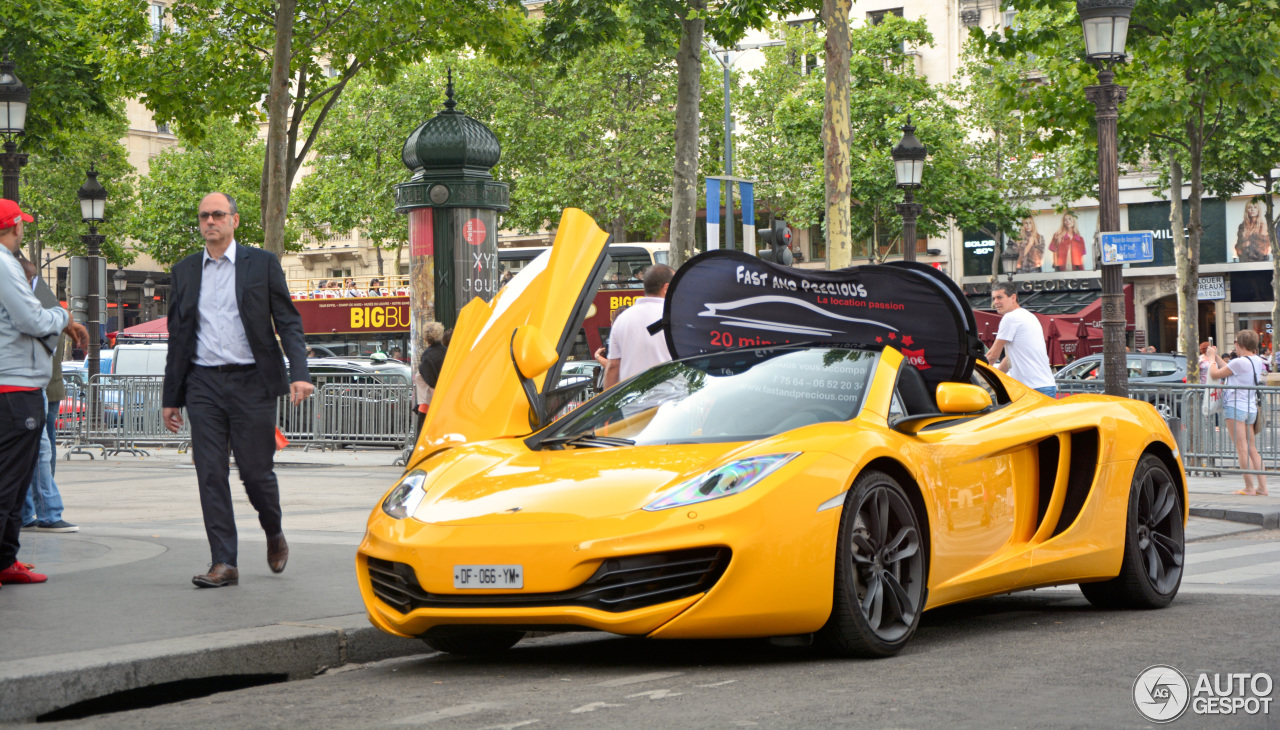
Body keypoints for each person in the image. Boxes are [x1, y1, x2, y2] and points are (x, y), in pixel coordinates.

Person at [162, 192, 314, 588]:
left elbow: (289, 322)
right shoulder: (184, 271)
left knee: (255, 473)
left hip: (251, 381)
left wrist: (300, 372)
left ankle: (273, 530)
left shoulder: (261, 264)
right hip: (203, 383)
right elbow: (177, 337)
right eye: (203, 216)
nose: (209, 221)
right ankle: (223, 562)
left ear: (234, 220)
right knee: (209, 472)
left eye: (217, 215)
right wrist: (171, 397)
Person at [0, 199, 89, 587]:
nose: (24, 232)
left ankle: (6, 559)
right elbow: (31, 318)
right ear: (15, 227)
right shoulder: (4, 264)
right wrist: (63, 316)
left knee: (17, 483)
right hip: (15, 387)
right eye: (23, 226)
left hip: (18, 385)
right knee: (9, 482)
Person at [16, 254, 77, 533]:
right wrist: (63, 316)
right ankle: (47, 512)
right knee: (40, 451)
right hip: (27, 385)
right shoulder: (24, 304)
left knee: (34, 451)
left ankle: (29, 513)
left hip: (32, 385)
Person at [1206, 331, 1269, 496]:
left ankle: (1249, 488)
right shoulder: (1256, 360)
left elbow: (1214, 373)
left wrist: (1211, 358)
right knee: (1252, 449)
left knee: (1242, 449)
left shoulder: (1240, 362)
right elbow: (1228, 368)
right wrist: (1217, 356)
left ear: (1239, 344)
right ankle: (1262, 487)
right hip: (1250, 408)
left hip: (1235, 407)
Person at [603, 265, 675, 389]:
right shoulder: (677, 316)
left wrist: (608, 405)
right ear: (667, 288)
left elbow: (613, 366)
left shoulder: (622, 319)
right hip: (670, 400)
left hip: (632, 400)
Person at [985, 281, 1057, 397]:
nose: (996, 302)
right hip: (1044, 385)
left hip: (1032, 389)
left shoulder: (1010, 318)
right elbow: (1010, 359)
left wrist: (975, 377)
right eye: (993, 299)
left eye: (1000, 297)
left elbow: (992, 355)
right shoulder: (1029, 316)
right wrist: (995, 379)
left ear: (1013, 297)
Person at [415, 323, 447, 433]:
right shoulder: (446, 352)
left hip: (428, 405)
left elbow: (432, 382)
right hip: (445, 401)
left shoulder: (427, 356)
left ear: (425, 338)